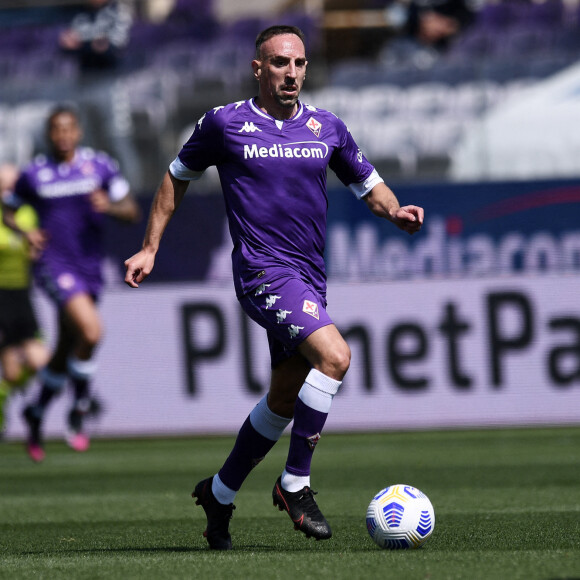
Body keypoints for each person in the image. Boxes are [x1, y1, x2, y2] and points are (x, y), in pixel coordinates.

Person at [124, 25, 424, 550]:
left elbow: (367, 183)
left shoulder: (326, 126)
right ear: (258, 68)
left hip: (308, 275)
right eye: (281, 63)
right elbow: (176, 176)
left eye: (300, 63)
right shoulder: (225, 123)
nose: (293, 73)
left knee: (285, 396)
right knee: (335, 356)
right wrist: (150, 247)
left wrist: (394, 210)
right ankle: (295, 484)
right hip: (263, 272)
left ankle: (218, 492)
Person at [2, 105, 140, 462]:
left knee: (66, 349)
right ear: (49, 135)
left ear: (78, 132)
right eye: (56, 130)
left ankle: (35, 412)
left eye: (68, 129)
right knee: (91, 332)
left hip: (89, 267)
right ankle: (79, 409)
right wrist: (26, 231)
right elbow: (9, 209)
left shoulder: (100, 166)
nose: (62, 135)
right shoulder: (35, 173)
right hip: (54, 264)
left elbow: (130, 211)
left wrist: (109, 206)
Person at [0, 163, 50, 434]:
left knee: (40, 362)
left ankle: (5, 396)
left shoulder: (29, 213)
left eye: (12, 183)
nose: (8, 188)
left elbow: (39, 247)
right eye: (3, 183)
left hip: (23, 297)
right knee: (11, 374)